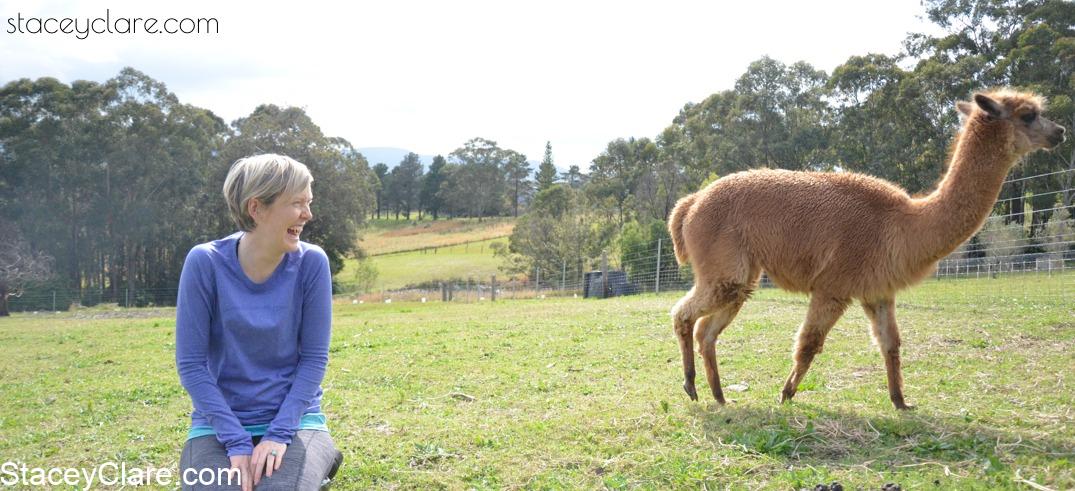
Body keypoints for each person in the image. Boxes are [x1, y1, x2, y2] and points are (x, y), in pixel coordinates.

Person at [176, 154, 343, 490]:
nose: (307, 215)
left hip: (295, 424)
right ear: (257, 208)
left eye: (308, 203)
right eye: (297, 203)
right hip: (217, 428)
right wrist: (236, 441)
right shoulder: (204, 262)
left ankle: (318, 455)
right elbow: (191, 365)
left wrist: (279, 434)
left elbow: (314, 359)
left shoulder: (312, 262)